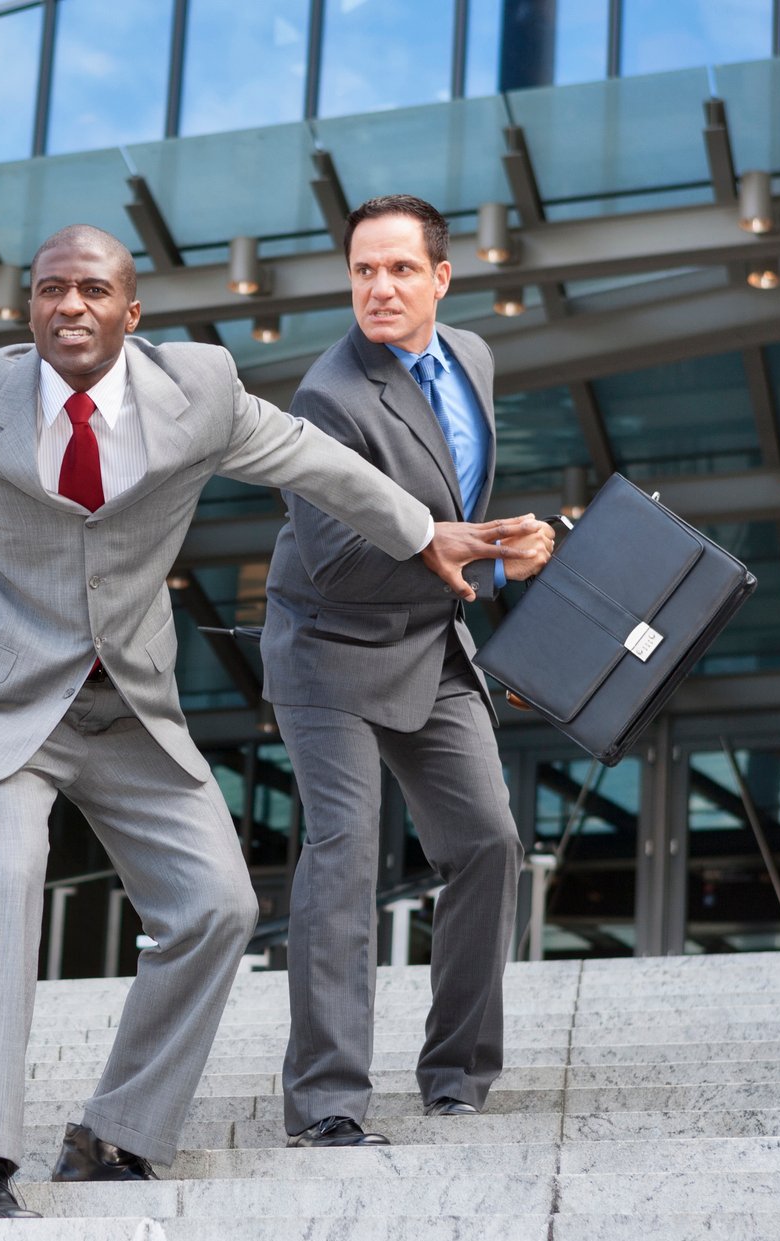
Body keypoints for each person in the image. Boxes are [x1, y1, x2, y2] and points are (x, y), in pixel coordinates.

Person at [0, 224, 528, 1219]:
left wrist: (424, 534)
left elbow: (315, 464)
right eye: (49, 292)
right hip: (1, 704)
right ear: (28, 308)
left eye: (92, 291)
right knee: (10, 880)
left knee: (218, 905)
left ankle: (116, 1128)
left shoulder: (196, 391)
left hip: (127, 703)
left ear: (132, 311)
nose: (69, 307)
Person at [261, 195, 555, 1146]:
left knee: (486, 844)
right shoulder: (327, 397)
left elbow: (445, 499)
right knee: (343, 859)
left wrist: (502, 547)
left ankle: (457, 1072)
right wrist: (464, 551)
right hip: (328, 647)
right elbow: (338, 556)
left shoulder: (471, 357)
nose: (377, 289)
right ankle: (326, 1102)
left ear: (440, 277)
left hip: (428, 642)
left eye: (396, 269)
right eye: (360, 272)